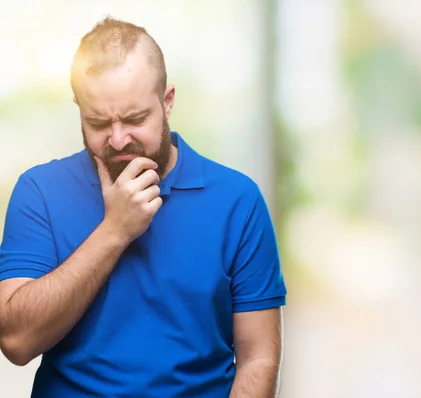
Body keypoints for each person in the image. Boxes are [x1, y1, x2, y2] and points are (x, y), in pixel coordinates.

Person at [0, 16, 287, 398]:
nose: (118, 140)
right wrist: (114, 230)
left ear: (167, 102)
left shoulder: (238, 200)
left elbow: (259, 357)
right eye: (98, 122)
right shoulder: (39, 191)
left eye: (135, 119)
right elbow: (16, 343)